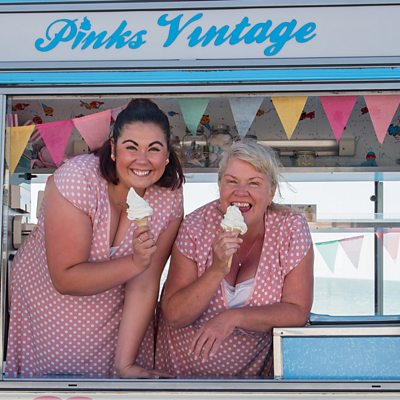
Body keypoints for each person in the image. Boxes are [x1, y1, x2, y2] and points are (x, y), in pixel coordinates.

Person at [6, 98, 184, 378]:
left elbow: (145, 284)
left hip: (117, 312)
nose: (142, 159)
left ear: (166, 155)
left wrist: (125, 364)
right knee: (58, 384)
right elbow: (66, 278)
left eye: (154, 148)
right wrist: (135, 262)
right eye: (131, 147)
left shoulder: (169, 197)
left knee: (116, 381)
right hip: (47, 301)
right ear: (113, 149)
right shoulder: (78, 179)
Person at [156, 140, 313, 378]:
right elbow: (175, 316)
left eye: (254, 183)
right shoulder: (195, 227)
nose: (241, 192)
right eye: (231, 181)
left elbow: (297, 312)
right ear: (220, 186)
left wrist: (233, 318)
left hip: (251, 384)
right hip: (180, 379)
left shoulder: (290, 229)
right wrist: (217, 269)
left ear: (271, 192)